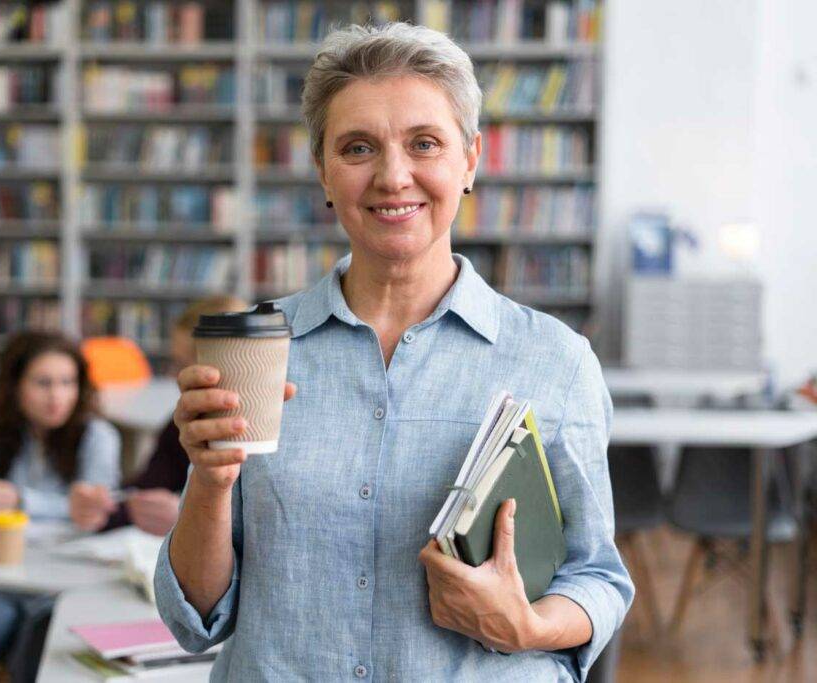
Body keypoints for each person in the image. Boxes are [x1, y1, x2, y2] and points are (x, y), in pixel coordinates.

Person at [156, 23, 633, 682]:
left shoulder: (556, 360)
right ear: (322, 169)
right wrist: (210, 484)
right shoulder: (255, 346)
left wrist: (527, 625)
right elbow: (196, 616)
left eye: (424, 143)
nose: (393, 175)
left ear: (470, 160)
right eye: (357, 147)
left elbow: (597, 578)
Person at [0, 331, 121, 683]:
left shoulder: (98, 437)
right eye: (43, 383)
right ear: (15, 387)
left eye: (67, 382)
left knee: (30, 662)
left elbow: (96, 508)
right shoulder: (1, 432)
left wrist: (20, 499)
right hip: (9, 576)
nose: (57, 396)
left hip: (70, 580)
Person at [69, 294, 247, 536]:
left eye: (185, 364)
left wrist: (190, 515)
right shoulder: (182, 425)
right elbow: (143, 492)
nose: (176, 376)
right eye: (175, 363)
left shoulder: (272, 437)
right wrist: (100, 506)